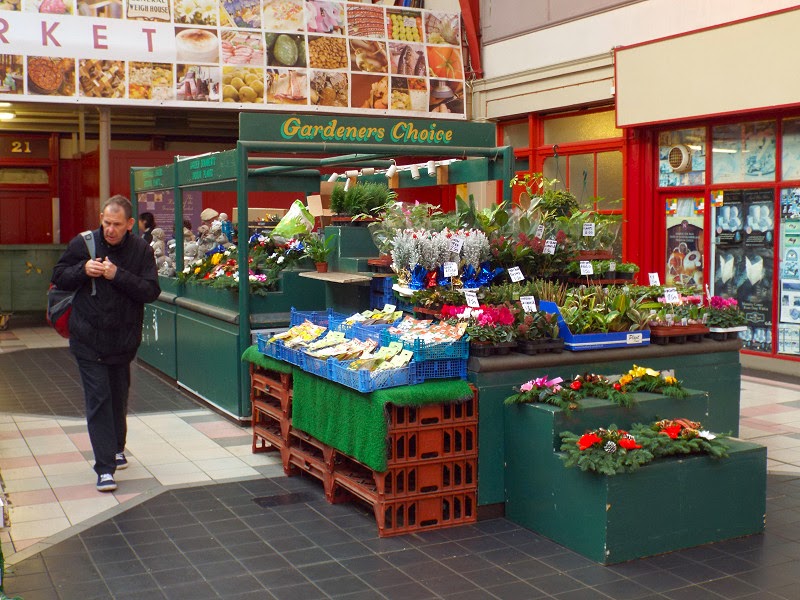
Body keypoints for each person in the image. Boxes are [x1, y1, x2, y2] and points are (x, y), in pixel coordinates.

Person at [51, 195, 161, 492]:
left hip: (122, 339)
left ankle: (116, 447)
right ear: (101, 218)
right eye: (105, 222)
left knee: (117, 394)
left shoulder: (140, 250)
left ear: (129, 224)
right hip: (87, 337)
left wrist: (117, 274)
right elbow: (59, 276)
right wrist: (82, 270)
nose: (109, 229)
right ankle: (104, 469)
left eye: (116, 224)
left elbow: (151, 290)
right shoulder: (83, 243)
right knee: (98, 398)